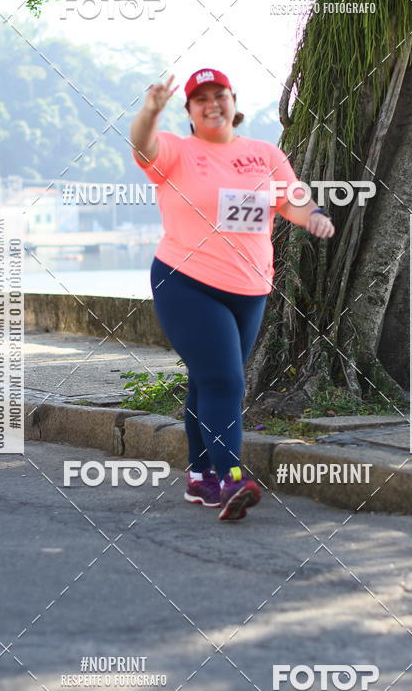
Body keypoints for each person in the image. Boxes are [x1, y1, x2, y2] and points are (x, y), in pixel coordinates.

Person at [130, 68, 334, 521]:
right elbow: (142, 145)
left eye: (219, 95)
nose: (212, 104)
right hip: (185, 280)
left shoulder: (263, 153)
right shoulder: (176, 152)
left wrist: (313, 215)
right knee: (226, 380)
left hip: (250, 288)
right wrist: (149, 111)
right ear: (188, 111)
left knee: (209, 379)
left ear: (233, 101)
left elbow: (291, 198)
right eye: (200, 99)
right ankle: (232, 479)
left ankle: (201, 477)